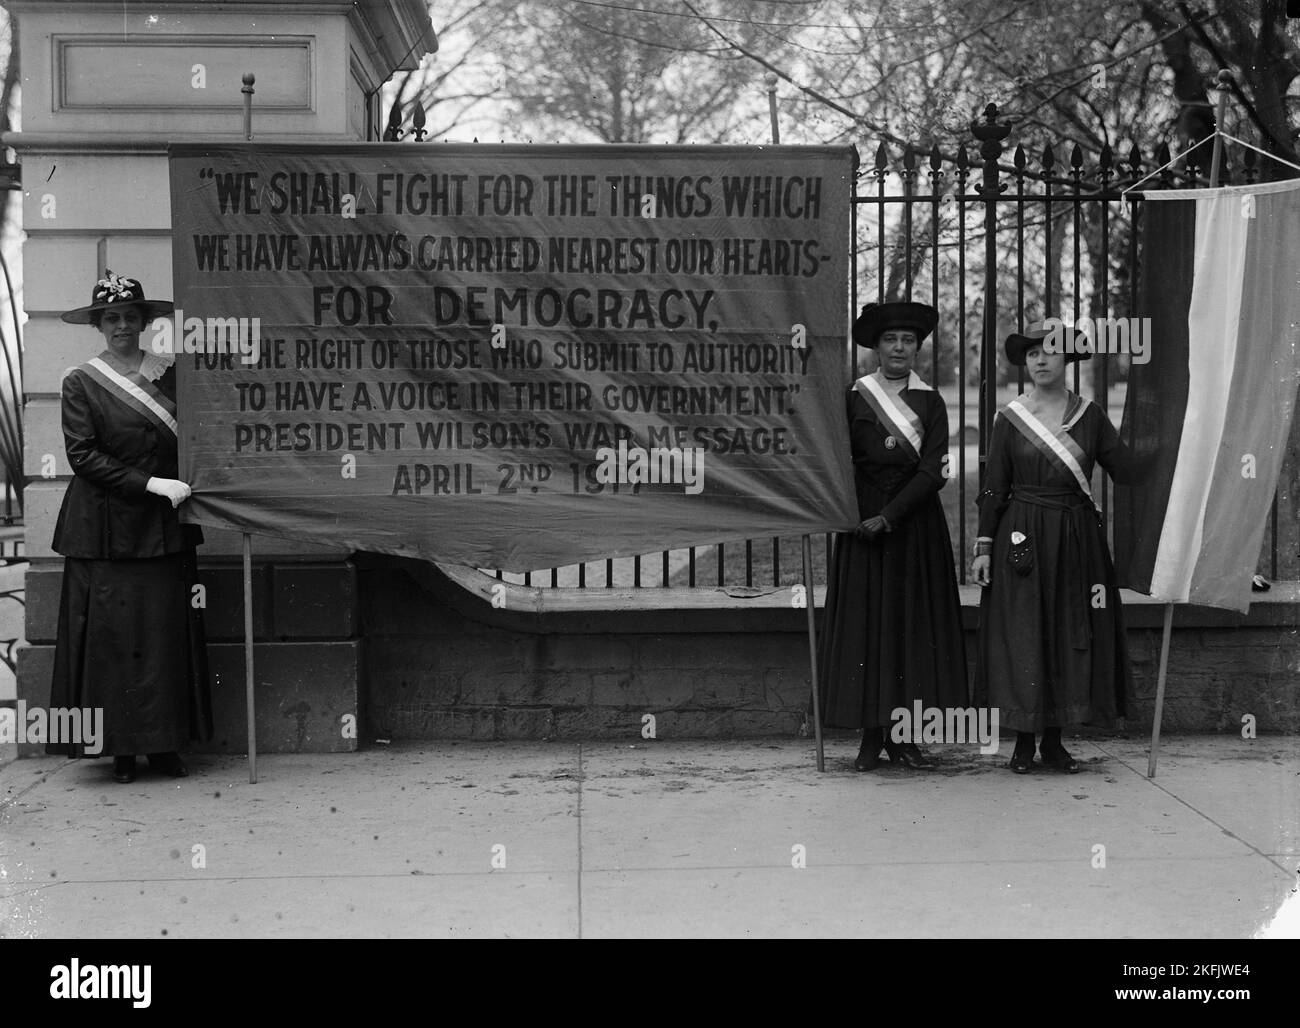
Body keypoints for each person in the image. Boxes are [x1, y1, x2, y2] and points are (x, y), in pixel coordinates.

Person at [46, 271, 212, 783]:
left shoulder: (168, 375)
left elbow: (201, 433)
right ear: (99, 325)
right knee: (112, 642)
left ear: (144, 323)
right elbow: (83, 457)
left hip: (164, 528)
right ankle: (120, 751)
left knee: (164, 636)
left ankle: (164, 747)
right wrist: (151, 485)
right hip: (105, 530)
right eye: (112, 318)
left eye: (130, 317)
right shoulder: (81, 381)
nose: (122, 325)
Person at [972, 324, 1136, 773]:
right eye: (1032, 355)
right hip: (1022, 536)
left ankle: (1056, 741)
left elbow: (1125, 468)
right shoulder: (1010, 418)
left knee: (1069, 632)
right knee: (1024, 634)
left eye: (1050, 353)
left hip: (1076, 537)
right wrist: (984, 546)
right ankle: (1023, 742)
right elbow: (993, 488)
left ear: (1068, 362)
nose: (1040, 361)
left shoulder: (1090, 416)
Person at [818, 301, 968, 770]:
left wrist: (890, 516)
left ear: (917, 348)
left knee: (910, 628)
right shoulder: (854, 397)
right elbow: (838, 460)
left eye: (907, 340)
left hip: (913, 525)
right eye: (890, 340)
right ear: (876, 347)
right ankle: (870, 736)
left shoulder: (930, 401)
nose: (899, 347)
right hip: (862, 526)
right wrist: (855, 513)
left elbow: (934, 471)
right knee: (868, 629)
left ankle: (905, 737)